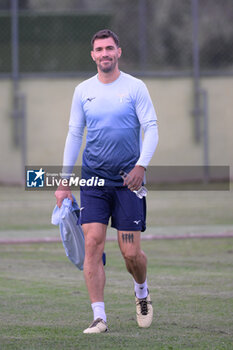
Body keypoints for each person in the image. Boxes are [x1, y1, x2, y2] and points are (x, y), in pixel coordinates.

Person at [55, 29, 159, 333]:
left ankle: (142, 292)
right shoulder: (83, 90)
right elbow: (75, 134)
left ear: (118, 52)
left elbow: (151, 128)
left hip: (129, 181)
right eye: (99, 49)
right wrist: (63, 182)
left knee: (130, 253)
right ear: (93, 55)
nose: (104, 54)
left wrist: (141, 166)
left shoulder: (135, 87)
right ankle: (99, 316)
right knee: (92, 244)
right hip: (93, 181)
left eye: (109, 48)